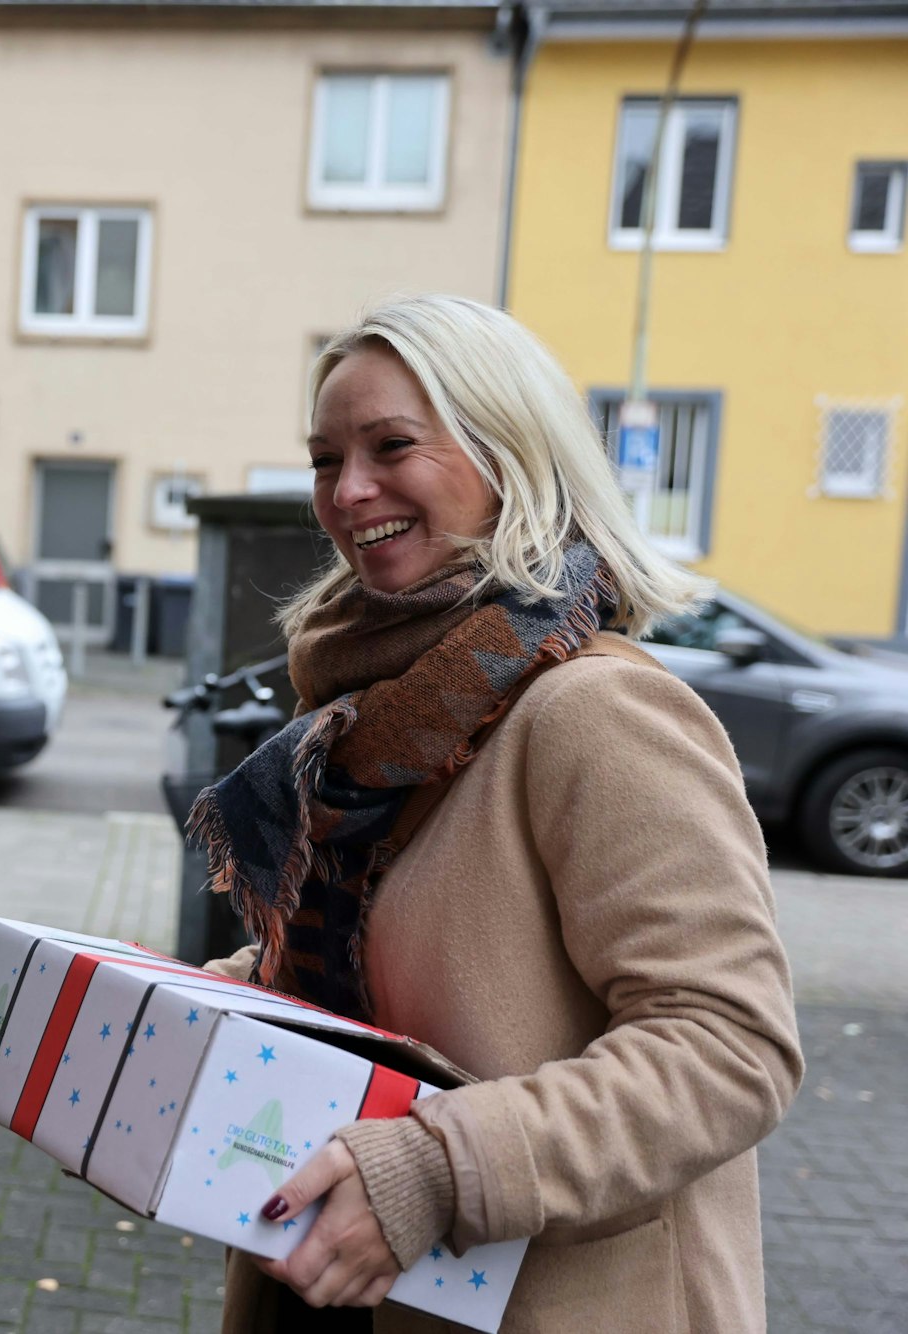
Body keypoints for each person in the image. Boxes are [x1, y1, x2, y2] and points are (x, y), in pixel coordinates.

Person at [191, 295, 803, 1332]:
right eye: (323, 458)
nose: (347, 491)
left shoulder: (594, 709)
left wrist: (439, 1165)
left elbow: (726, 1046)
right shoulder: (366, 706)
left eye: (391, 446)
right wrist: (223, 1002)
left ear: (507, 450)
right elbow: (430, 968)